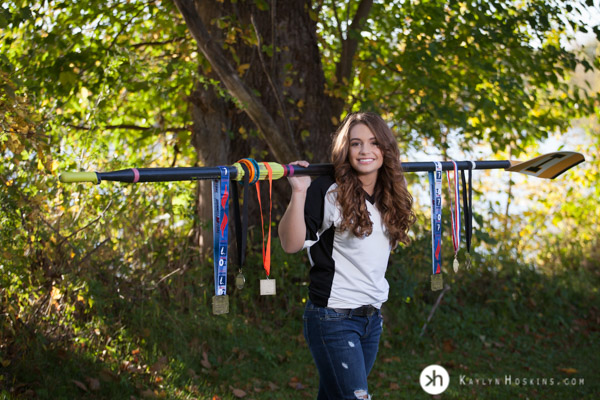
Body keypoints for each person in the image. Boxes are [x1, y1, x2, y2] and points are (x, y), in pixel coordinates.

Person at [278, 112, 416, 399]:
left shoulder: (391, 193)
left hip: (371, 320)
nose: (365, 150)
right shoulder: (328, 190)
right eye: (356, 143)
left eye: (374, 142)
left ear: (385, 148)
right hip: (333, 318)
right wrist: (299, 191)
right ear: (345, 149)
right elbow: (291, 244)